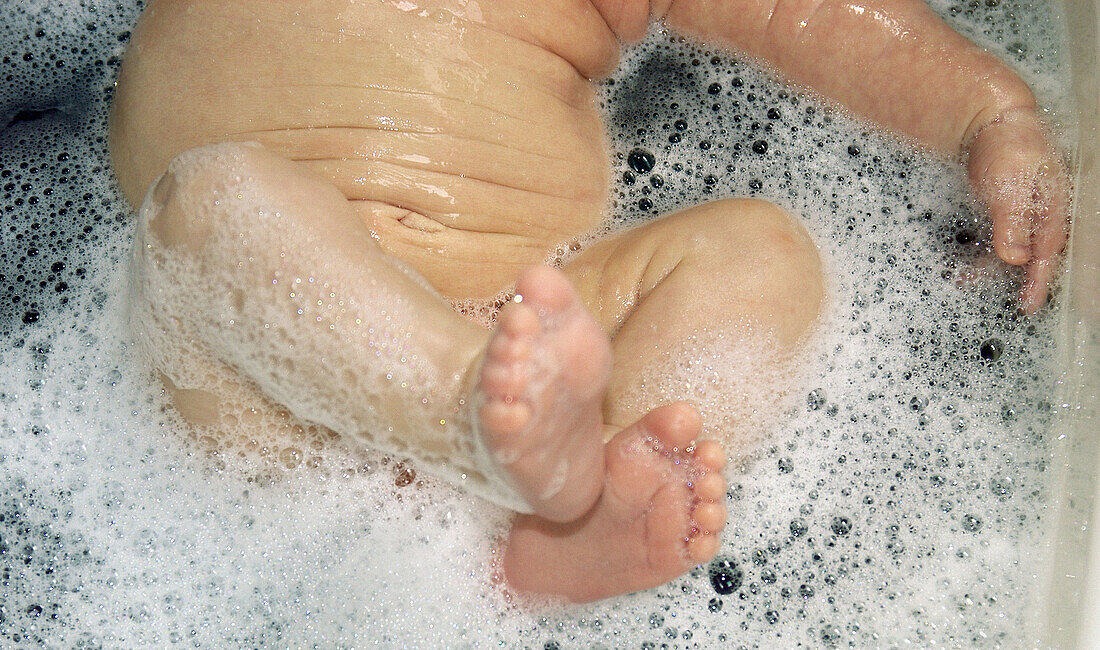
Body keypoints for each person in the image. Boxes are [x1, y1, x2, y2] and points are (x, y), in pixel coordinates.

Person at [108, 0, 1069, 603]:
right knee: (210, 206)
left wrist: (987, 109)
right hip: (272, 372)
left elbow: (801, 14)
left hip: (527, 334)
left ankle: (584, 504)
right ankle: (474, 425)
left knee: (762, 252)